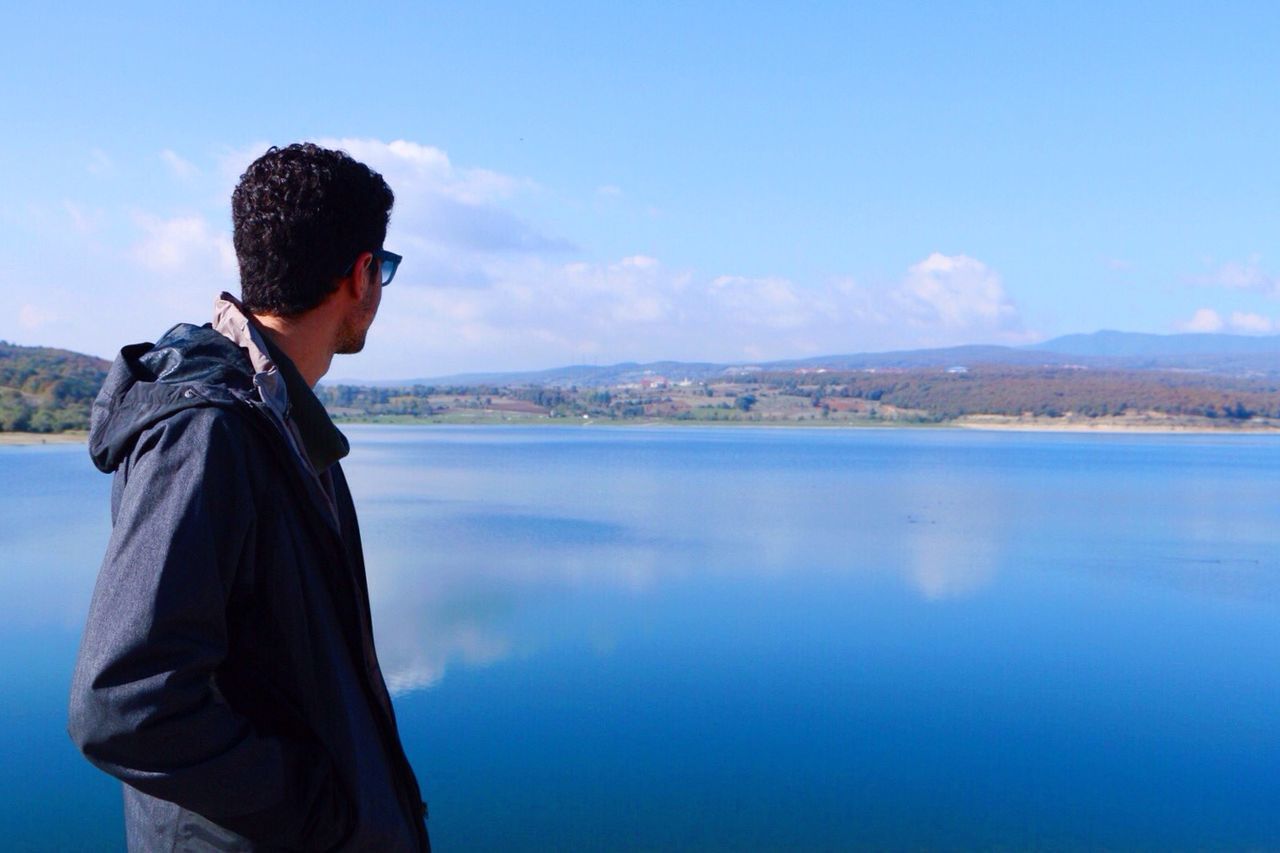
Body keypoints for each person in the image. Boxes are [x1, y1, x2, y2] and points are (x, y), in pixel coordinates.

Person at [68, 143, 430, 851]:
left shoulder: (277, 421)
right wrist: (315, 814)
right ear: (361, 276)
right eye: (381, 267)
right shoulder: (209, 433)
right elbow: (122, 701)